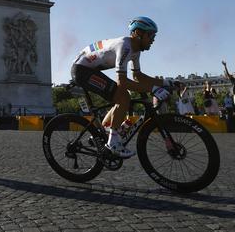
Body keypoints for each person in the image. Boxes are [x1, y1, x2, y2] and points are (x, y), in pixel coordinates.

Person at [71, 17, 177, 158]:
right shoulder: (125, 46)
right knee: (123, 96)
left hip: (89, 68)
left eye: (154, 36)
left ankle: (105, 131)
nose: (153, 39)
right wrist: (152, 89)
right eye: (150, 35)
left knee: (122, 97)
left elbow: (138, 76)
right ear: (138, 33)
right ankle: (112, 143)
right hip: (81, 70)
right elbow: (122, 82)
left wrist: (164, 83)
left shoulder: (135, 50)